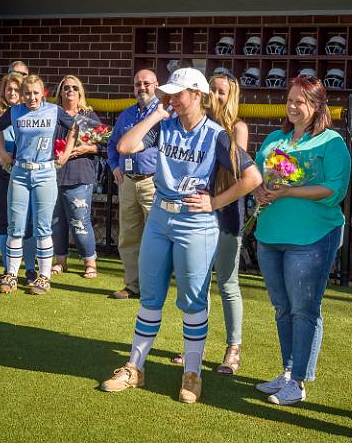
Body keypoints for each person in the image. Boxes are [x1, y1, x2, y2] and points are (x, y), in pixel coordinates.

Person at [100, 68, 262, 403]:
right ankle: (135, 366)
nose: (171, 98)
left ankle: (192, 373)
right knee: (150, 297)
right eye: (169, 92)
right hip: (160, 217)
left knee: (192, 301)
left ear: (197, 95)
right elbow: (126, 145)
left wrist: (214, 202)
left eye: (177, 93)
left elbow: (253, 177)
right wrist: (158, 112)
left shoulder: (216, 134)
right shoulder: (165, 124)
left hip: (194, 223)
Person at [252, 75, 350, 406]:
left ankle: (299, 381)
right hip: (269, 235)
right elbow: (255, 175)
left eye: (301, 101)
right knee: (282, 308)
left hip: (312, 238)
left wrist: (289, 191)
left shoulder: (331, 142)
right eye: (290, 100)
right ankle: (287, 370)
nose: (293, 106)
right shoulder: (274, 138)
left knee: (303, 309)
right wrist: (259, 191)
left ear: (318, 106)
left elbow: (334, 189)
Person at [0, 74, 77, 295]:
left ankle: (44, 277)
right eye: (27, 93)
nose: (32, 98)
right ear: (22, 94)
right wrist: (3, 153)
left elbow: (75, 128)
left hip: (45, 172)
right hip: (20, 171)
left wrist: (67, 152)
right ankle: (11, 274)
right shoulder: (15, 111)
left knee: (42, 227)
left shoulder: (53, 110)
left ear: (43, 93)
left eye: (36, 93)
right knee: (16, 226)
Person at [106, 69, 159, 299]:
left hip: (153, 182)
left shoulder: (163, 115)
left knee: (154, 238)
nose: (142, 87)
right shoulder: (127, 114)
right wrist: (115, 166)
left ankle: (153, 288)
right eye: (138, 84)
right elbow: (112, 144)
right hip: (127, 182)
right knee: (128, 236)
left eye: (146, 83)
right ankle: (132, 285)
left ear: (156, 85)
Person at [209, 72, 250, 374]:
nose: (215, 95)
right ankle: (194, 343)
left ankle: (233, 347)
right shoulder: (199, 125)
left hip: (227, 212)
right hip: (200, 212)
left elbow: (238, 170)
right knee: (197, 282)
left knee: (227, 282)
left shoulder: (238, 128)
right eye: (211, 89)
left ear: (232, 95)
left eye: (221, 91)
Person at [0, 73, 38, 286]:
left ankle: (31, 270)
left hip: (25, 170)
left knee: (29, 220)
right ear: (3, 91)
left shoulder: (32, 112)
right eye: (9, 89)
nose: (12, 93)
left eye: (16, 90)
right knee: (3, 218)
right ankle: (9, 269)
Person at [51, 75, 103, 279]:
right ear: (60, 92)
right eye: (66, 87)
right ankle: (60, 261)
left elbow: (103, 145)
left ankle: (90, 262)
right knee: (56, 221)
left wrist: (85, 148)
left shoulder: (87, 115)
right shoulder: (52, 113)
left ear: (80, 92)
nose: (70, 90)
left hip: (79, 173)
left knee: (79, 221)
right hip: (54, 173)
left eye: (74, 87)